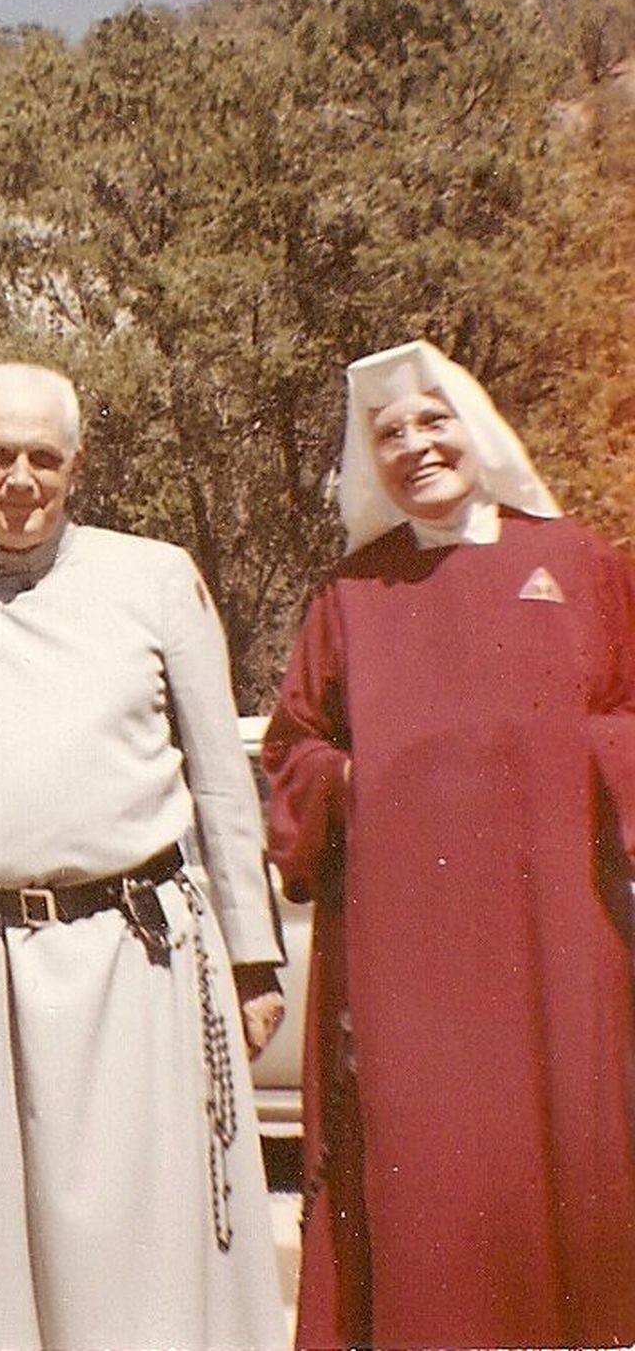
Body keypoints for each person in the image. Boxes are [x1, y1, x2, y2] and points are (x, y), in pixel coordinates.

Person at [0, 361, 288, 1351]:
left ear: (74, 465)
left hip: (140, 966)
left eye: (41, 456)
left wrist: (253, 955)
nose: (19, 477)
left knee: (155, 1235)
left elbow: (222, 780)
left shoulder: (155, 578)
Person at [261, 338, 635, 1349]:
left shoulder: (577, 563)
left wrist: (581, 761)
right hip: (409, 971)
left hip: (558, 945)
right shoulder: (349, 598)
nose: (415, 445)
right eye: (388, 432)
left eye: (433, 420)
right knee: (424, 1190)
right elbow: (293, 748)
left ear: (477, 427)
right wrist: (367, 784)